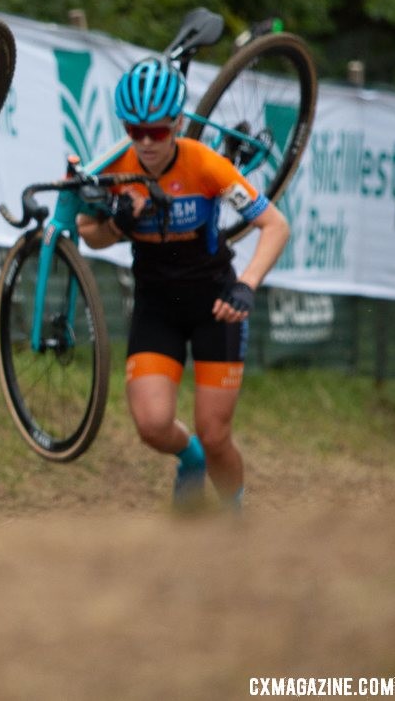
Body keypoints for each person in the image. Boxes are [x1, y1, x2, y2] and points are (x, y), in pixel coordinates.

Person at [76, 57, 290, 512]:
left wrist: (247, 285)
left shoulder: (205, 165)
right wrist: (116, 224)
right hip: (157, 305)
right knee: (152, 425)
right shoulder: (115, 167)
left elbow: (276, 226)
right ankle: (187, 458)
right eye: (135, 132)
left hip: (215, 302)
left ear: (177, 123)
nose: (147, 143)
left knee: (216, 435)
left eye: (158, 131)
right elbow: (87, 233)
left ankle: (233, 511)